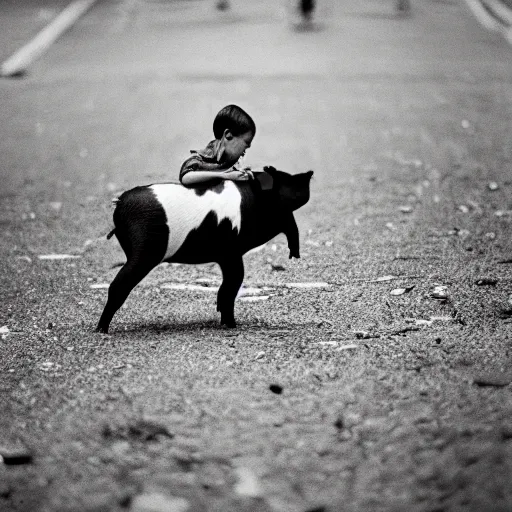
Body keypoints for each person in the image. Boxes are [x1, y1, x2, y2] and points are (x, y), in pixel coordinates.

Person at [179, 105, 256, 188]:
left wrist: (244, 174)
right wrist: (225, 175)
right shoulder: (205, 157)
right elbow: (185, 177)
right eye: (246, 142)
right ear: (228, 135)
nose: (248, 146)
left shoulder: (231, 159)